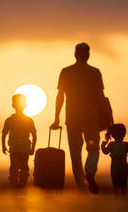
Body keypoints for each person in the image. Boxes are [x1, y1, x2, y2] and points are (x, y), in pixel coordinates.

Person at [51, 42, 106, 194]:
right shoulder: (95, 72)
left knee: (75, 153)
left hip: (73, 118)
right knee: (93, 149)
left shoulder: (66, 72)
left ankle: (82, 186)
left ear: (75, 54)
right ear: (88, 55)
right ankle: (90, 171)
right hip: (91, 118)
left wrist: (56, 118)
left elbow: (59, 97)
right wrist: (108, 119)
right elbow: (101, 97)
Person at [2, 94, 37, 189]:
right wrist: (32, 147)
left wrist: (3, 146)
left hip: (15, 147)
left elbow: (4, 134)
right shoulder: (28, 120)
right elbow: (34, 135)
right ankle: (22, 183)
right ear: (25, 105)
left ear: (13, 105)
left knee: (14, 166)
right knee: (24, 167)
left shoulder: (9, 120)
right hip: (24, 148)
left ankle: (15, 184)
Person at [101, 124, 128, 197]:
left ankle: (117, 198)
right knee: (123, 183)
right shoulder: (126, 144)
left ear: (112, 135)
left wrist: (103, 146)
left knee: (115, 183)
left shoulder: (111, 144)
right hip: (124, 166)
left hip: (114, 166)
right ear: (124, 134)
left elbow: (105, 152)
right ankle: (123, 197)